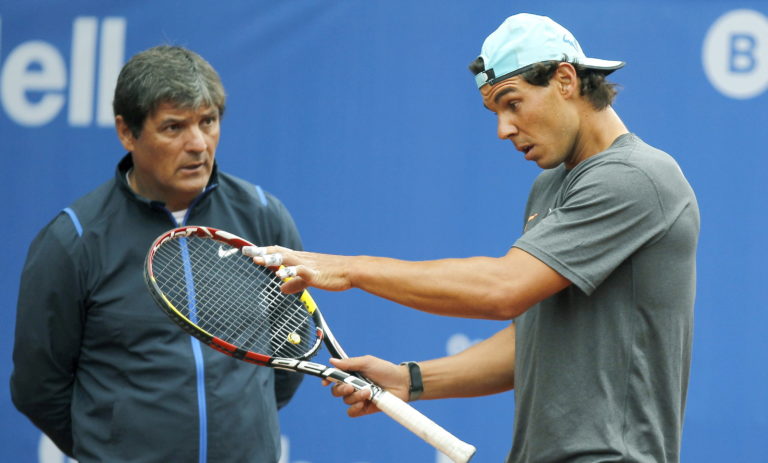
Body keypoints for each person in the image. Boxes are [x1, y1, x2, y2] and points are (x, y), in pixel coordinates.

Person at [245, 13, 700, 463]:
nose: (503, 129)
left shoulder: (636, 176)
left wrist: (351, 268)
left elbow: (503, 290)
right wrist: (411, 379)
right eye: (495, 111)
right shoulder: (551, 185)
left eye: (513, 102)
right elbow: (533, 340)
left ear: (565, 80)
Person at [10, 45, 304, 463]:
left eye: (209, 121)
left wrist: (243, 427)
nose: (199, 144)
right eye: (173, 128)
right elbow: (38, 388)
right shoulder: (73, 240)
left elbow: (291, 345)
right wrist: (113, 447)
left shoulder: (263, 217)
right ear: (127, 133)